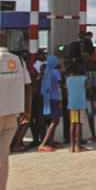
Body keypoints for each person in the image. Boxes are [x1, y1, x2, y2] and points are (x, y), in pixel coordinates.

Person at [1, 31, 31, 188]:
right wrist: (27, 111)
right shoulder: (18, 60)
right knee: (3, 157)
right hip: (12, 117)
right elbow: (28, 86)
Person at [38, 55, 62, 152]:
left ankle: (50, 142)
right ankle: (43, 144)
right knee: (55, 121)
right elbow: (60, 83)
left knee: (52, 120)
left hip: (47, 98)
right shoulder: (56, 72)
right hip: (55, 98)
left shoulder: (46, 72)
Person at [66, 63, 87, 153]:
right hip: (80, 104)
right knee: (78, 124)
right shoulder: (83, 79)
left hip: (71, 103)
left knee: (72, 124)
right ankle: (78, 146)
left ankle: (71, 146)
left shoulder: (68, 79)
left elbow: (67, 91)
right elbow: (88, 89)